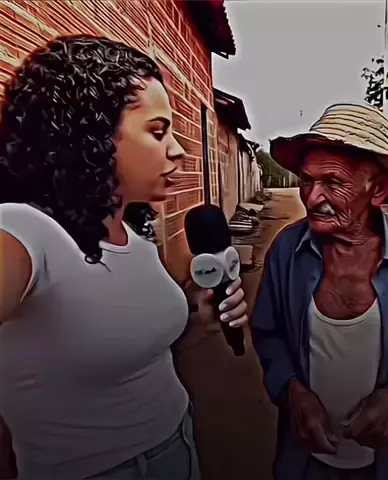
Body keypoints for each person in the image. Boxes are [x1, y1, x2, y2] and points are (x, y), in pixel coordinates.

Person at [0, 35, 248, 480]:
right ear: (90, 134)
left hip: (179, 445)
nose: (178, 150)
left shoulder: (135, 234)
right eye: (158, 131)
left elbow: (135, 352)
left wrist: (200, 314)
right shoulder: (21, 231)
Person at [251, 103, 388, 480]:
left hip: (386, 462)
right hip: (303, 460)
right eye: (307, 181)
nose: (312, 198)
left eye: (333, 182)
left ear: (377, 189)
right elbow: (269, 333)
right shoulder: (287, 249)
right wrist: (292, 389)